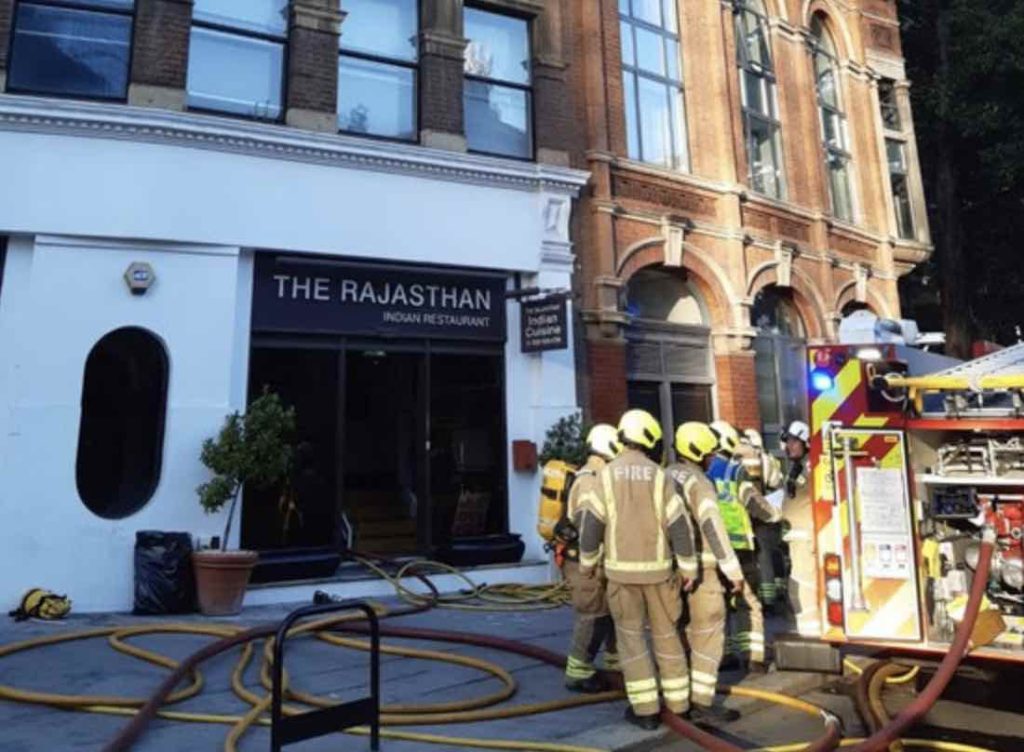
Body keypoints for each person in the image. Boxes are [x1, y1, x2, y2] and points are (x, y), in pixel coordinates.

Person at [578, 409, 697, 731]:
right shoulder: (660, 476)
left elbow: (591, 526)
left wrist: (587, 563)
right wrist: (689, 568)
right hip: (660, 575)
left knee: (631, 641)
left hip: (621, 577)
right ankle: (680, 705)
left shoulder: (606, 475)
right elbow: (680, 525)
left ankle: (645, 712)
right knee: (667, 638)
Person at [668, 422, 744, 724]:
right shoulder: (699, 482)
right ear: (698, 452)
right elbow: (712, 525)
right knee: (708, 634)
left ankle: (676, 697)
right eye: (710, 452)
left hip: (670, 569)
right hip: (703, 569)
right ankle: (701, 700)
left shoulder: (665, 474)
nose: (713, 458)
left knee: (676, 632)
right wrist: (733, 570)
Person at [706, 421, 780, 674]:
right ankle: (753, 657)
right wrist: (775, 515)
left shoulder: (703, 472)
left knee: (721, 604)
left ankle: (724, 655)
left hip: (713, 549)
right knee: (749, 603)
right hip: (739, 548)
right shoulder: (734, 471)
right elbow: (753, 502)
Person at [559, 424, 621, 693]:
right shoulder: (590, 478)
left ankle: (614, 662)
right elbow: (587, 524)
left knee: (608, 613)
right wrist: (591, 562)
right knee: (592, 614)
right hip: (585, 562)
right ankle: (578, 672)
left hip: (596, 560)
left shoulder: (600, 474)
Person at [780, 420, 822, 637]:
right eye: (788, 441)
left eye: (794, 441)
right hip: (797, 538)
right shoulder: (796, 468)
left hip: (806, 539)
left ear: (806, 442)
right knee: (798, 588)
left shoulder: (809, 467)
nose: (789, 446)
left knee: (804, 588)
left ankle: (811, 634)